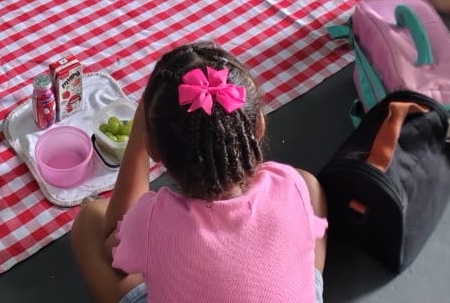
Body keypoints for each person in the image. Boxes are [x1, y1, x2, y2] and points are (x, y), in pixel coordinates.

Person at [71, 41, 328, 303]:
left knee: (90, 219)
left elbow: (115, 257)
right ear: (258, 127)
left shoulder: (152, 219)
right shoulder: (290, 184)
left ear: (153, 149)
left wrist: (138, 136)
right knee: (309, 185)